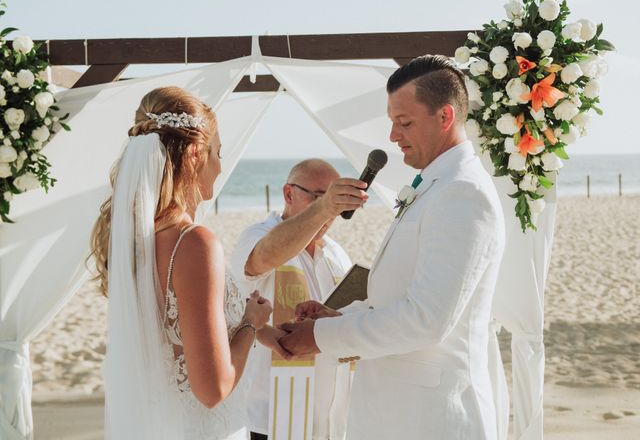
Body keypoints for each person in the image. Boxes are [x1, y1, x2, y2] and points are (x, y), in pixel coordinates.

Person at [279, 55, 506, 439]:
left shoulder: (462, 194)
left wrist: (319, 338)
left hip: (430, 418)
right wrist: (338, 317)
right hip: (395, 413)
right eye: (392, 122)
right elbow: (400, 294)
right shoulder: (436, 185)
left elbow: (427, 320)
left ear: (445, 117)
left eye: (405, 122)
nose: (393, 136)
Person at [89, 86, 288, 440]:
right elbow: (213, 389)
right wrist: (251, 324)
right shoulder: (194, 242)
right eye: (218, 153)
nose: (220, 166)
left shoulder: (137, 240)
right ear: (195, 154)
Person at [230, 159, 367, 440]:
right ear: (288, 194)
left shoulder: (336, 252)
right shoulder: (258, 235)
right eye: (318, 196)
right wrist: (325, 207)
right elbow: (263, 258)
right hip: (272, 415)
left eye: (333, 200)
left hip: (332, 419)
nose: (328, 208)